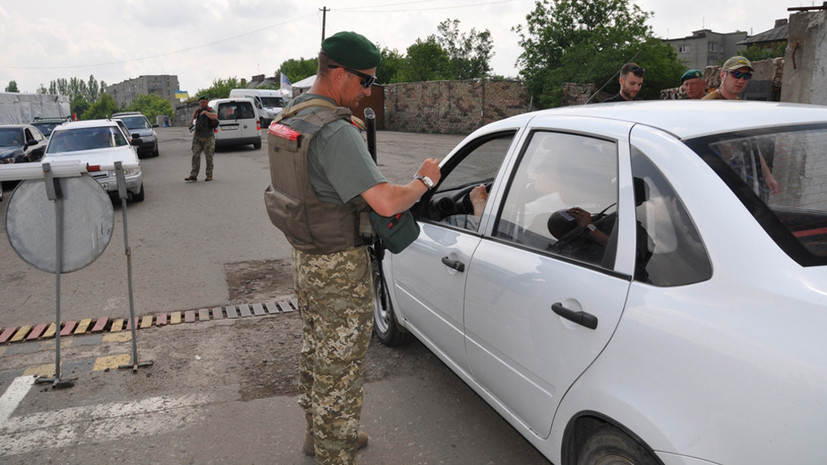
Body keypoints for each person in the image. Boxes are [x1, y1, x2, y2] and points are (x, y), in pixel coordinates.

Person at [264, 31, 441, 465]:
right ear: (338, 72)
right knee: (340, 365)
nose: (368, 91)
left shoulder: (295, 112)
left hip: (306, 253)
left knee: (317, 346)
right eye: (365, 81)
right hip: (338, 263)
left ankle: (317, 434)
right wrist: (424, 180)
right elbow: (384, 201)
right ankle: (334, 452)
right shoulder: (333, 130)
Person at [185, 96, 217, 182]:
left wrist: (206, 113)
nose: (203, 104)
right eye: (201, 102)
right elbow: (191, 124)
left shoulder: (210, 110)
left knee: (209, 157)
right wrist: (193, 115)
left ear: (207, 102)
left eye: (204, 102)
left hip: (208, 138)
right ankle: (193, 175)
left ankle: (209, 175)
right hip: (198, 137)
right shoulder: (198, 111)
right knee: (195, 155)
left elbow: (215, 117)